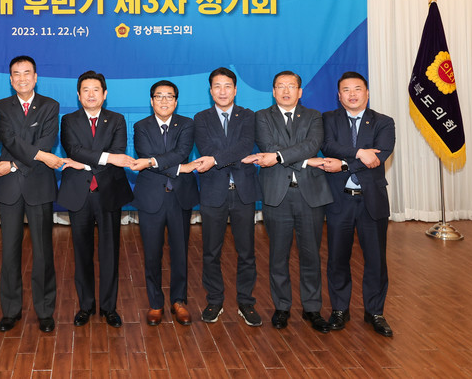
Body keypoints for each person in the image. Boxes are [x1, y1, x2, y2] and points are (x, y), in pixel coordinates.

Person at [242, 70, 333, 333]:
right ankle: (281, 307)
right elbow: (267, 146)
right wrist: (305, 160)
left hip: (310, 194)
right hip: (276, 194)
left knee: (311, 255)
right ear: (273, 91)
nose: (285, 91)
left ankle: (312, 308)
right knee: (278, 256)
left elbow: (311, 145)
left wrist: (281, 157)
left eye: (291, 86)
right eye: (280, 86)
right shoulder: (262, 117)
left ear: (300, 91)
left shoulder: (314, 116)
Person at [319, 71, 395, 337]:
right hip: (339, 200)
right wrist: (360, 152)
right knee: (337, 258)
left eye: (357, 89)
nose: (352, 94)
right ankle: (340, 309)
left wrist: (344, 164)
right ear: (339, 96)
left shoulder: (383, 122)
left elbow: (380, 155)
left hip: (372, 201)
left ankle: (375, 312)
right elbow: (328, 146)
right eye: (346, 90)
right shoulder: (329, 119)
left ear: (367, 93)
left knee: (376, 259)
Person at [58, 71, 134, 328]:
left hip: (108, 192)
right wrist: (107, 158)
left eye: (96, 90)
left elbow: (119, 152)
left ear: (105, 94)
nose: (91, 94)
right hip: (79, 194)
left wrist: (87, 163)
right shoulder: (69, 120)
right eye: (86, 90)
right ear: (78, 95)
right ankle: (86, 305)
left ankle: (109, 307)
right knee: (82, 253)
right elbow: (73, 150)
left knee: (110, 253)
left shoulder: (117, 120)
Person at [0, 55, 63, 333]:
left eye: (27, 73)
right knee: (9, 251)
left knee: (43, 252)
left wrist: (13, 164)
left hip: (38, 185)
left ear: (35, 77)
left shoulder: (50, 106)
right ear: (11, 80)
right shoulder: (1, 106)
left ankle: (44, 311)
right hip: (10, 188)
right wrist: (40, 156)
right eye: (16, 74)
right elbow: (9, 140)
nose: (22, 78)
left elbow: (48, 141)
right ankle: (10, 310)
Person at [192, 67, 263, 325]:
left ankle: (246, 302)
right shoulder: (201, 118)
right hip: (213, 192)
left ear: (235, 89)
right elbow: (206, 147)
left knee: (247, 252)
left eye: (227, 86)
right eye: (217, 86)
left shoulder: (248, 116)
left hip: (243, 191)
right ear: (211, 91)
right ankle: (214, 300)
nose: (222, 91)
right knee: (211, 251)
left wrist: (215, 159)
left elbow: (245, 146)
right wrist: (224, 156)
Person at [130, 80, 199, 326]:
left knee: (180, 252)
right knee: (152, 253)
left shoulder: (187, 124)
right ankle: (155, 303)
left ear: (176, 101)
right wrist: (180, 168)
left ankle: (179, 301)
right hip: (151, 198)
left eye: (169, 96)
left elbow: (181, 152)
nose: (164, 101)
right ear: (151, 101)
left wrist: (153, 162)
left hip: (180, 197)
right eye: (159, 96)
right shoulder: (141, 126)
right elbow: (144, 154)